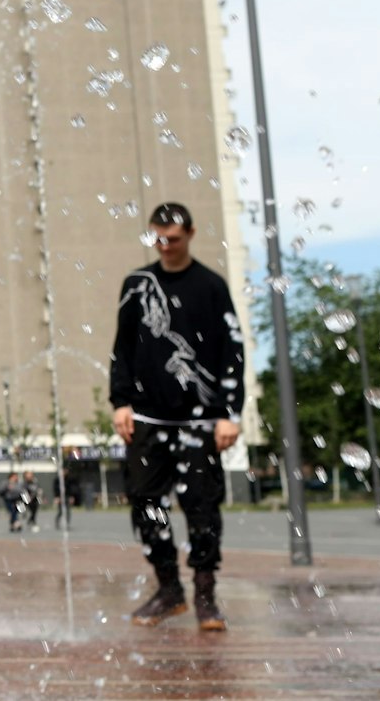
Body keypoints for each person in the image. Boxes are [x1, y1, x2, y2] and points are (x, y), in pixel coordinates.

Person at [110, 202, 243, 632]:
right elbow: (123, 347)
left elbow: (231, 351)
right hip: (147, 417)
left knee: (202, 507)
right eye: (158, 239)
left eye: (174, 239)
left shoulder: (211, 286)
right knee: (147, 504)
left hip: (201, 420)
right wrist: (121, 402)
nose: (166, 247)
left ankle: (205, 596)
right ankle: (169, 589)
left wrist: (229, 412)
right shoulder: (138, 284)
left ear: (191, 234)